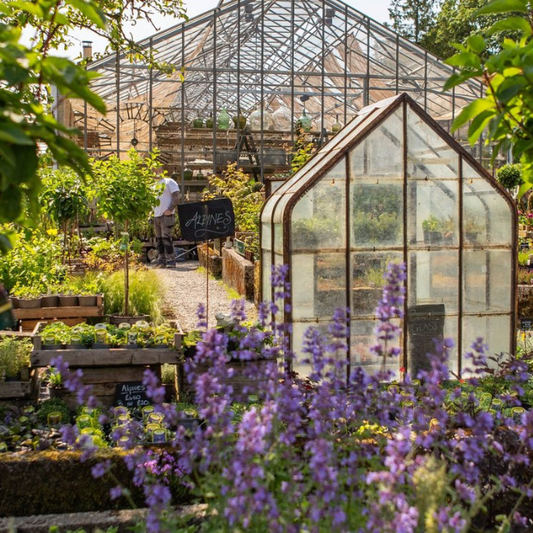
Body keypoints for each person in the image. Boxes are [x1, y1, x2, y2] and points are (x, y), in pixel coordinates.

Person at [153, 168, 180, 268]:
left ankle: (171, 261)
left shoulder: (169, 181)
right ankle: (162, 261)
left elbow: (176, 196)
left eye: (158, 170)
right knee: (159, 239)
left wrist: (170, 209)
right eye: (154, 170)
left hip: (166, 215)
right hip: (156, 215)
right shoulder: (154, 185)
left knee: (166, 238)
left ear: (162, 170)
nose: (156, 172)